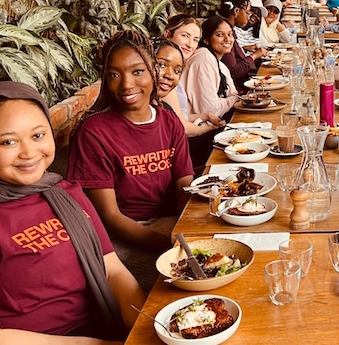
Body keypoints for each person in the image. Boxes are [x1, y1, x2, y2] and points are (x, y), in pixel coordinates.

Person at [0, 82, 144, 344]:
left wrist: (146, 328)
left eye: (38, 135)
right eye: (8, 142)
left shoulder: (63, 192)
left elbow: (112, 271)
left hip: (101, 331)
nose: (29, 153)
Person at [67, 31, 195, 290]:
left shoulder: (169, 121)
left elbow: (184, 183)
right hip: (124, 236)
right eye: (114, 75)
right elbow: (110, 216)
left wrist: (187, 228)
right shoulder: (93, 132)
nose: (126, 84)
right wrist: (169, 244)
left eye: (137, 72)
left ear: (152, 72)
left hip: (169, 224)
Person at [181, 16, 241, 166]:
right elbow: (210, 109)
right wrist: (233, 99)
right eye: (220, 34)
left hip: (209, 128)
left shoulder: (218, 62)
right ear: (206, 39)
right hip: (194, 137)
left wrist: (233, 98)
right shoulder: (203, 58)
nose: (227, 39)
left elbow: (234, 94)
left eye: (230, 34)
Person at [161, 15, 225, 138]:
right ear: (167, 34)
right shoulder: (164, 75)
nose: (190, 44)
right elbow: (181, 127)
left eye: (195, 40)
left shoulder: (175, 69)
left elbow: (178, 116)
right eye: (185, 36)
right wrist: (207, 129)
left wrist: (206, 116)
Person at [216, 0, 266, 88]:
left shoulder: (231, 31)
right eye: (247, 12)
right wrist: (254, 56)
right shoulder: (225, 34)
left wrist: (245, 49)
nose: (248, 17)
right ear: (236, 11)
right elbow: (235, 71)